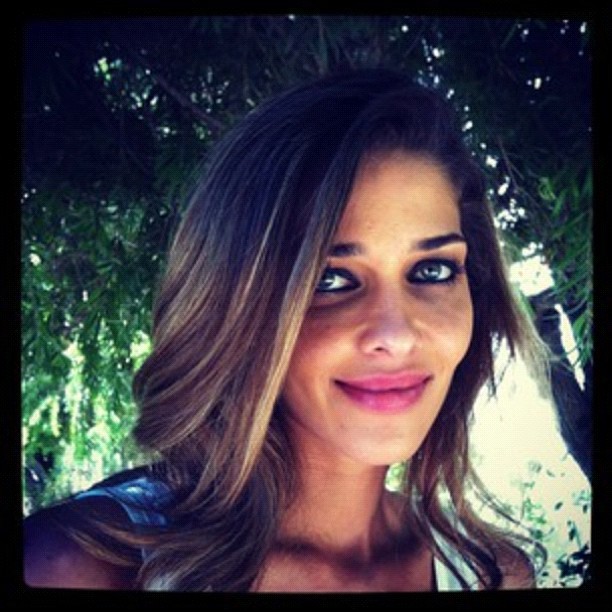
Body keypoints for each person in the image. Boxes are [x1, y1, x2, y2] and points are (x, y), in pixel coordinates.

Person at [23, 68, 549, 592]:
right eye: (329, 279)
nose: (397, 335)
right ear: (235, 305)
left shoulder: (492, 574)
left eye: (431, 270)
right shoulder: (80, 567)